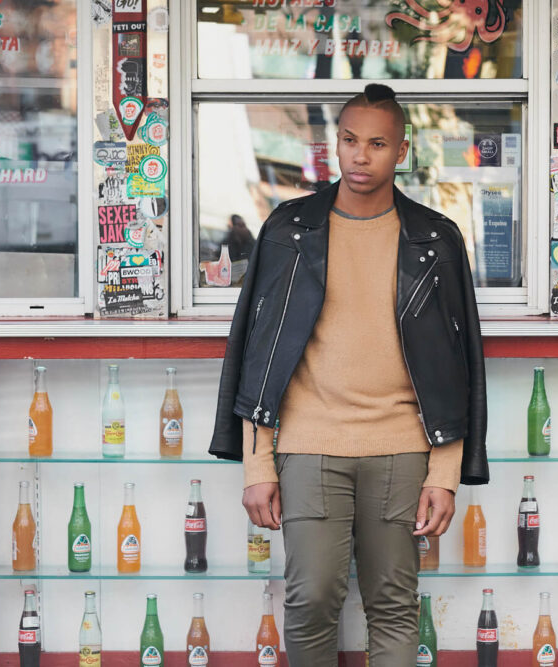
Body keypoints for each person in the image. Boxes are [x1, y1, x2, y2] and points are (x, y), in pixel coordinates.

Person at [209, 83, 488, 667]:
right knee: (311, 599)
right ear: (336, 144)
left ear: (403, 151)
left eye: (378, 144)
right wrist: (257, 463)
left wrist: (445, 472)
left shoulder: (434, 239)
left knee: (393, 604)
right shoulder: (290, 230)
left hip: (401, 448)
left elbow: (456, 366)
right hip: (309, 445)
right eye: (350, 141)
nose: (361, 156)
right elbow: (260, 354)